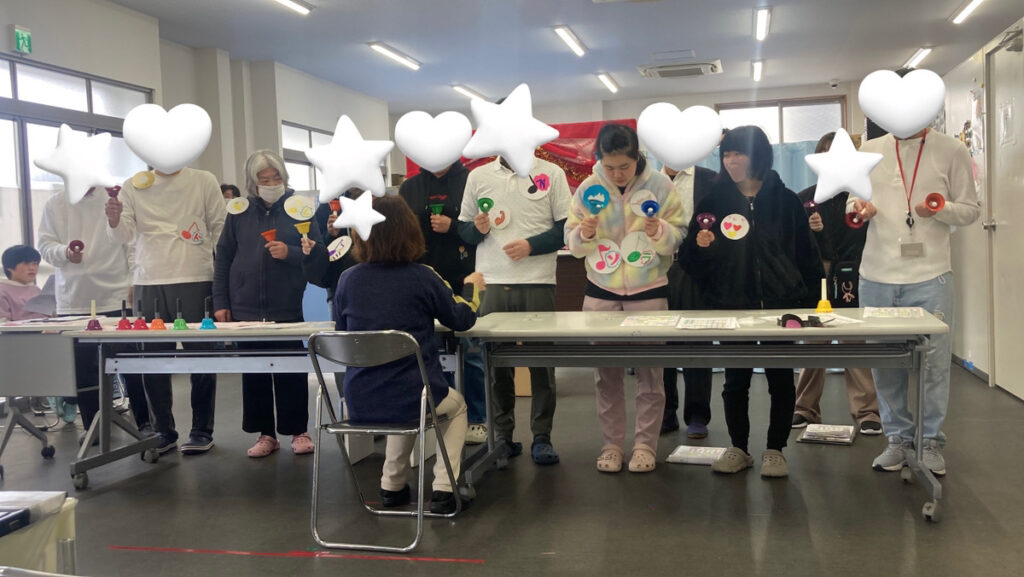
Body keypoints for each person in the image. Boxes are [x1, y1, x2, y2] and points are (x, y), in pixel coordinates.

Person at [681, 125, 822, 478]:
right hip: (732, 305)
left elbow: (807, 256)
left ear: (758, 155)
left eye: (738, 153)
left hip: (781, 305)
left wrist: (809, 305)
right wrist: (702, 247)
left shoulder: (786, 200)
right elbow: (690, 262)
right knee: (735, 381)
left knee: (781, 380)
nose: (731, 161)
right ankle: (739, 448)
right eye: (726, 154)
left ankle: (775, 450)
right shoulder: (713, 202)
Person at [850, 95, 980, 477]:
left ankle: (930, 442)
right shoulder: (869, 149)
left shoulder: (951, 149)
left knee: (934, 364)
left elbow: (970, 209)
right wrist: (860, 208)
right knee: (885, 364)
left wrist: (940, 208)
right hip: (876, 275)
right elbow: (852, 199)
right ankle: (898, 440)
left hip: (930, 275)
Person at [333, 195, 483, 515]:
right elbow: (462, 319)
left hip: (360, 400)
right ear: (409, 232)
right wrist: (473, 288)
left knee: (406, 402)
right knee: (453, 407)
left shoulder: (347, 280)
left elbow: (342, 334)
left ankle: (392, 485)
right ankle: (444, 489)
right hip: (413, 395)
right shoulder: (422, 276)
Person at [565, 123, 685, 473]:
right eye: (609, 166)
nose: (617, 174)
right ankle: (612, 445)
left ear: (637, 158)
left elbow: (679, 234)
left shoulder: (660, 185)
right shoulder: (588, 188)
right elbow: (571, 241)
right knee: (606, 375)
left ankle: (645, 445)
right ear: (599, 160)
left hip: (649, 289)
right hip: (601, 290)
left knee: (651, 374)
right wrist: (582, 234)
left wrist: (660, 231)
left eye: (624, 166)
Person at [458, 152, 570, 465]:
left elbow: (566, 227)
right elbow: (463, 230)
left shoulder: (552, 172)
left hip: (538, 281)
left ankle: (542, 436)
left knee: (542, 364)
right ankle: (502, 436)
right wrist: (476, 229)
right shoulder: (479, 176)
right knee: (495, 365)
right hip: (491, 282)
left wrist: (532, 245)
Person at [106, 163, 226, 455]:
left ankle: (202, 430)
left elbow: (221, 229)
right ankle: (163, 431)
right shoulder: (134, 184)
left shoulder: (203, 179)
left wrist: (223, 281)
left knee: (202, 359)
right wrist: (114, 219)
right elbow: (123, 236)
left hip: (196, 276)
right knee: (152, 359)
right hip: (149, 279)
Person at [213, 151, 319, 457]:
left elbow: (318, 253)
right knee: (254, 373)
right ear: (253, 183)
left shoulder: (299, 209)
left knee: (291, 370)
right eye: (265, 179)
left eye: (276, 178)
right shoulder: (239, 212)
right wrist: (221, 300)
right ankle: (265, 434)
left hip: (287, 305)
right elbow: (224, 258)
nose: (272, 184)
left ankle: (298, 430)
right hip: (245, 307)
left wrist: (291, 253)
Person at [37, 187, 150, 441]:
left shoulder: (115, 197)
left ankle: (145, 423)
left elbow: (132, 242)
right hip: (73, 300)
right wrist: (65, 252)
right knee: (83, 369)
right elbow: (44, 245)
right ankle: (92, 427)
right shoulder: (55, 203)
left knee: (131, 363)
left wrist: (135, 280)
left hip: (117, 294)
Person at [792, 132, 881, 435]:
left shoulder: (863, 197)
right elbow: (796, 243)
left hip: (854, 272)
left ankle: (867, 411)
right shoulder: (805, 198)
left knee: (853, 341)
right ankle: (804, 407)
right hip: (817, 273)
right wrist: (811, 231)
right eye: (826, 154)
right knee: (814, 341)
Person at [399, 160, 488, 445]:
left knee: (471, 351)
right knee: (432, 353)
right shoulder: (410, 187)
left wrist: (453, 227)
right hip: (424, 281)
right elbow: (402, 231)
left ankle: (477, 418)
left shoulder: (471, 180)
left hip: (465, 277)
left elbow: (483, 229)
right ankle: (443, 415)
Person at [660, 161, 717, 439]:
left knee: (697, 340)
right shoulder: (646, 181)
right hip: (653, 268)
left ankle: (697, 414)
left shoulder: (710, 179)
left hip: (695, 270)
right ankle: (664, 412)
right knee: (660, 343)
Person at [0, 245, 46, 322]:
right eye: (26, 263)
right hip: (19, 330)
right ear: (9, 266)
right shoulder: (2, 290)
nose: (32, 268)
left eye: (35, 263)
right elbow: (3, 322)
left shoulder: (36, 289)